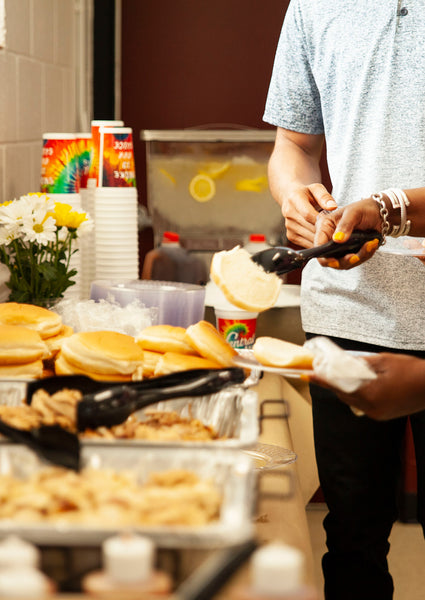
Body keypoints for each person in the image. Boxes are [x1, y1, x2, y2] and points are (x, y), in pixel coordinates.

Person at [263, 4, 425, 600]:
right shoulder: (313, 6)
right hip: (348, 309)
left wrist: (391, 209)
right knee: (352, 541)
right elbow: (292, 145)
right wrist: (295, 197)